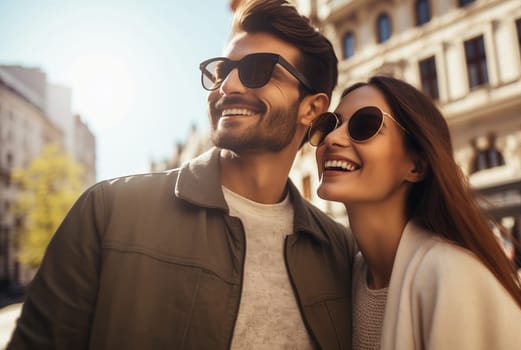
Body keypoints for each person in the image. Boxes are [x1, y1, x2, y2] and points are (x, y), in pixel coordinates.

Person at [8, 1, 356, 349]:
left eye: (258, 69)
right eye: (222, 70)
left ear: (311, 108)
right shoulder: (108, 212)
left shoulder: (340, 250)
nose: (227, 86)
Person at [308, 75, 521, 349]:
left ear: (416, 166)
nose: (332, 138)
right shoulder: (351, 277)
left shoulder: (452, 274)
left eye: (365, 125)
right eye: (330, 124)